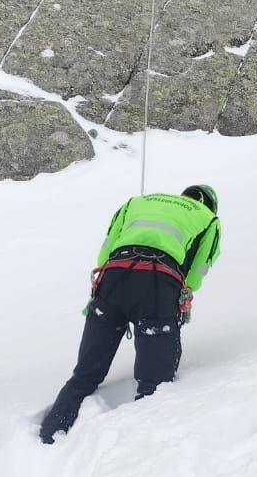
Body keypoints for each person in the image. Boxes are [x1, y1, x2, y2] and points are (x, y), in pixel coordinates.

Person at [38, 185, 222, 444]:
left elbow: (104, 253)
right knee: (155, 387)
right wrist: (181, 297)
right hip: (159, 286)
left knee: (85, 375)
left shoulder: (137, 202)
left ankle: (48, 438)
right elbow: (197, 272)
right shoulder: (209, 219)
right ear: (210, 204)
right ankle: (136, 457)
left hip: (114, 279)